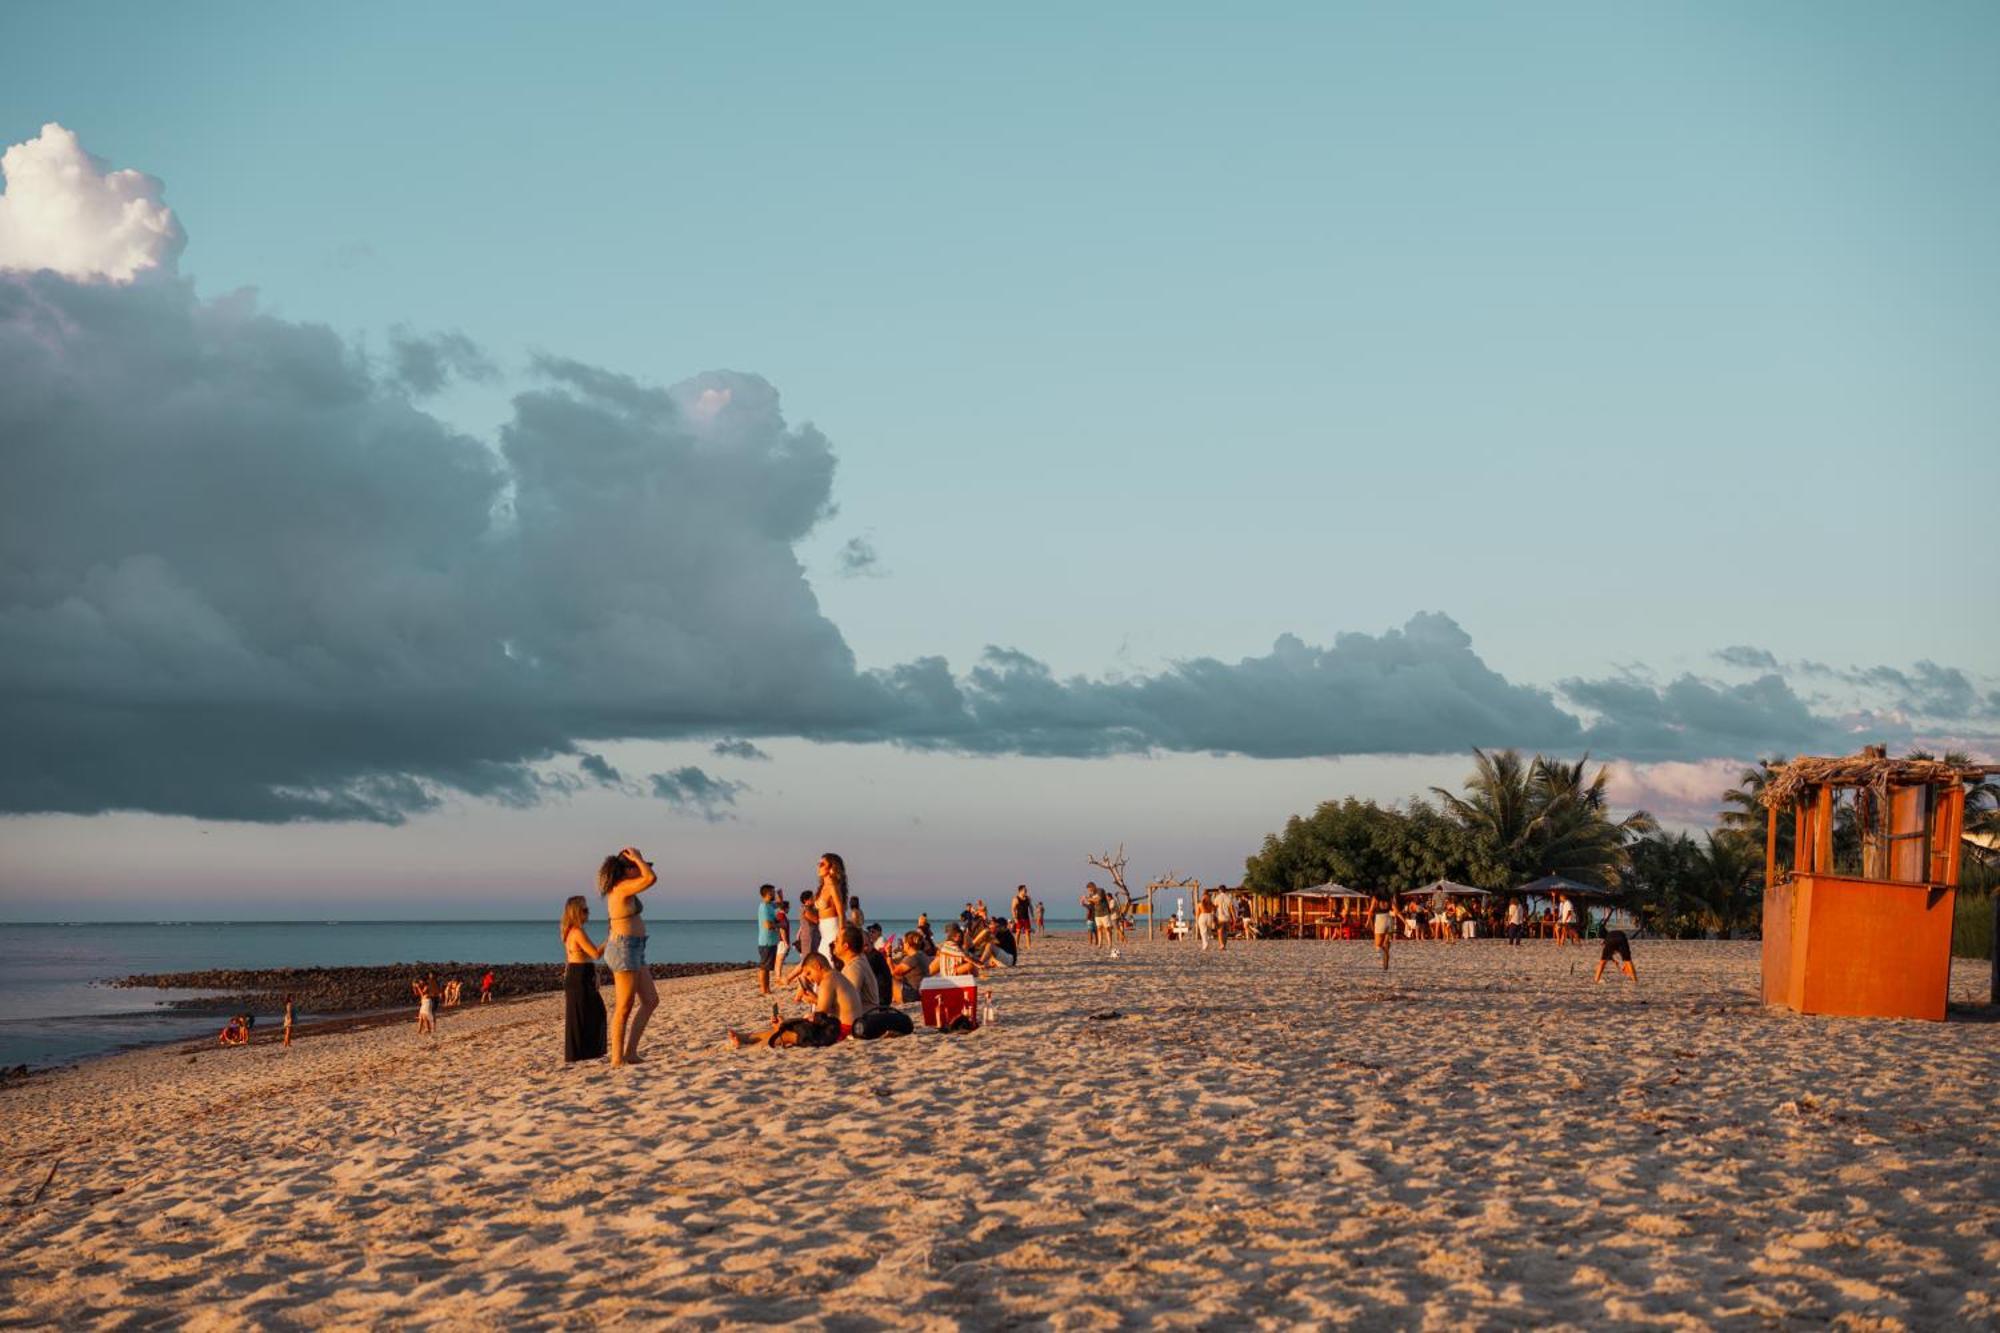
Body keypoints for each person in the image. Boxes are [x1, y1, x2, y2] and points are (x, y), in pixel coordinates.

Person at [600, 845, 659, 1068]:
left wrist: (639, 860)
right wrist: (637, 858)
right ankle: (617, 1058)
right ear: (627, 869)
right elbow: (651, 878)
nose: (642, 869)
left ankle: (631, 1052)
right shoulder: (622, 887)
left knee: (651, 1000)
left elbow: (647, 876)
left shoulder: (626, 888)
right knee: (624, 1005)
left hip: (634, 946)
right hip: (624, 948)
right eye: (637, 866)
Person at [727, 953, 860, 1048]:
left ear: (818, 966)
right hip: (844, 1027)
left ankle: (748, 1048)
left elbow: (820, 1015)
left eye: (809, 973)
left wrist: (801, 1019)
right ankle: (746, 1038)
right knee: (786, 1027)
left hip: (842, 1031)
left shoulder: (828, 980)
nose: (809, 978)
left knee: (788, 1032)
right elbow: (831, 1009)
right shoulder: (835, 976)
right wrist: (813, 1001)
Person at [560, 894, 608, 1062]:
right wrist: (610, 937)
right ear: (576, 912)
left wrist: (594, 973)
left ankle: (583, 1052)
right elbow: (595, 954)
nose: (588, 913)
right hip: (579, 975)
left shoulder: (568, 931)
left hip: (578, 973)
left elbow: (574, 957)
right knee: (591, 1012)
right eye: (585, 910)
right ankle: (583, 1053)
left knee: (583, 1014)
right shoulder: (577, 932)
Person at [815, 853, 849, 963]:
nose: (818, 866)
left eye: (822, 864)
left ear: (831, 867)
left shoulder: (832, 886)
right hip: (824, 930)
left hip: (833, 929)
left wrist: (841, 934)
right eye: (818, 864)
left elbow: (841, 912)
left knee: (829, 962)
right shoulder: (823, 886)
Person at [755, 884, 781, 995]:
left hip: (771, 941)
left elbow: (780, 905)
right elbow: (767, 925)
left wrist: (780, 896)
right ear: (767, 894)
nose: (774, 894)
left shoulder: (770, 905)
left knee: (766, 966)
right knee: (764, 967)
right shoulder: (764, 907)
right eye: (773, 892)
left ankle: (766, 989)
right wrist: (780, 925)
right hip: (766, 941)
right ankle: (764, 989)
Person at [1371, 893, 1395, 972]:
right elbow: (1396, 910)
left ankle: (1384, 957)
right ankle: (1385, 965)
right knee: (1387, 945)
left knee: (1378, 945)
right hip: (1389, 919)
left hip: (1380, 919)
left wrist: (1368, 921)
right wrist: (1405, 921)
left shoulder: (1376, 898)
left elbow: (1371, 910)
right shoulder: (1390, 898)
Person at [1012, 886, 1034, 952]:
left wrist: (1032, 915)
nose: (1026, 891)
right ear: (1020, 891)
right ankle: (1016, 945)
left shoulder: (1028, 898)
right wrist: (1015, 918)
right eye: (1025, 890)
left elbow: (1030, 906)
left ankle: (1028, 946)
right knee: (1018, 932)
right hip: (1019, 918)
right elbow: (1013, 909)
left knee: (1028, 932)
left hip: (1026, 917)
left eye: (1026, 890)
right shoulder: (1016, 899)